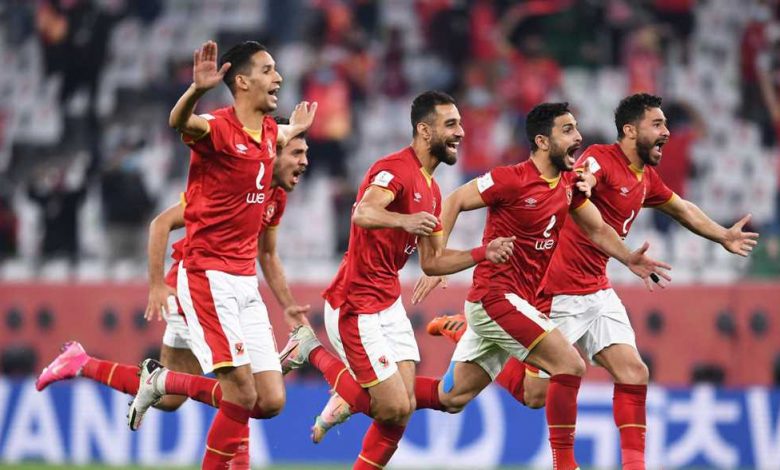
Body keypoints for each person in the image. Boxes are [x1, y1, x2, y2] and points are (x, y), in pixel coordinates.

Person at [427, 94, 759, 470]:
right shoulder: (599, 158)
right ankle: (465, 331)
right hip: (558, 292)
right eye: (657, 124)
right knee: (535, 395)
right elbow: (584, 173)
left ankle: (634, 466)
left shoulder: (646, 179)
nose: (666, 131)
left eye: (666, 124)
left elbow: (682, 209)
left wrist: (722, 235)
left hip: (598, 289)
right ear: (630, 131)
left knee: (634, 371)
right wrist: (584, 178)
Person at [34, 118, 310, 469]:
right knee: (244, 392)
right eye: (297, 152)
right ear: (272, 151)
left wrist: (288, 305)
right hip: (196, 286)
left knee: (171, 399)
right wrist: (155, 285)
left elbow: (267, 254)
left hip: (226, 287)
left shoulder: (275, 198)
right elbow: (161, 222)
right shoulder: (231, 184)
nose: (304, 162)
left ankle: (81, 363)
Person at [279, 90, 515, 469]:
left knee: (403, 409)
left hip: (388, 303)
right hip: (355, 303)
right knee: (390, 407)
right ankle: (309, 349)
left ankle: (350, 395)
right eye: (451, 124)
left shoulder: (433, 191)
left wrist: (482, 253)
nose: (460, 132)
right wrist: (404, 220)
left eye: (460, 124)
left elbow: (433, 262)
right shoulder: (395, 168)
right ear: (425, 130)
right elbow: (363, 212)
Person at [140, 39, 313, 469]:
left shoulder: (269, 133)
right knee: (240, 393)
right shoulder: (217, 128)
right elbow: (180, 122)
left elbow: (281, 135)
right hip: (207, 275)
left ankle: (161, 381)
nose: (278, 77)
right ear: (242, 81)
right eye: (268, 70)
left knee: (270, 400)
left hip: (244, 283)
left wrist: (296, 128)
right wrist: (196, 91)